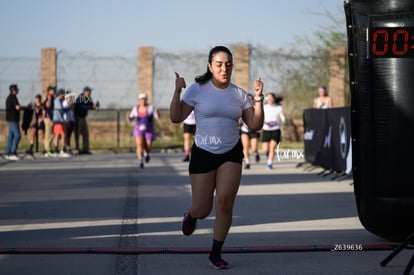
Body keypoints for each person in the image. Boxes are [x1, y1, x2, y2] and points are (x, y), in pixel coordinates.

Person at [169, 45, 264, 269]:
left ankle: (215, 253)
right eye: (219, 64)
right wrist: (177, 92)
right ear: (210, 66)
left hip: (231, 153)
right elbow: (176, 117)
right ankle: (191, 215)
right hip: (203, 152)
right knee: (203, 209)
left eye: (228, 65)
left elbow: (255, 124)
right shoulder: (197, 89)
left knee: (224, 203)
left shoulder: (239, 94)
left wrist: (258, 99)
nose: (224, 69)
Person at [127, 93, 160, 168]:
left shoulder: (151, 108)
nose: (143, 101)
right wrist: (128, 116)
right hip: (138, 128)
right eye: (141, 99)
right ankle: (141, 160)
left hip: (149, 128)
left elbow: (157, 117)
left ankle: (146, 153)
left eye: (144, 99)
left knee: (148, 146)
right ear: (139, 100)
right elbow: (130, 119)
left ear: (146, 100)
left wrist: (157, 112)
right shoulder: (135, 109)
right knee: (139, 144)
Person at [261, 93, 286, 169]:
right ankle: (268, 155)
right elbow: (261, 116)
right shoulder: (264, 107)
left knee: (272, 147)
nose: (270, 100)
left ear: (274, 99)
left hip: (276, 130)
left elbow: (283, 117)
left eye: (271, 98)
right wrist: (263, 122)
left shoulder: (279, 107)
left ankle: (269, 163)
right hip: (266, 129)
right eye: (268, 98)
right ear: (267, 99)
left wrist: (284, 119)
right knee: (265, 149)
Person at [74, 86, 99, 154]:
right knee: (78, 133)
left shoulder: (88, 98)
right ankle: (77, 149)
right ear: (85, 92)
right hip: (78, 117)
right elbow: (81, 107)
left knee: (85, 134)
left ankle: (85, 149)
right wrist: (91, 106)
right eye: (89, 91)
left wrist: (95, 106)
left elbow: (91, 105)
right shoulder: (81, 97)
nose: (90, 93)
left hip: (83, 118)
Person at [239, 93, 261, 169]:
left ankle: (256, 153)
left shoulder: (256, 107)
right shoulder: (241, 108)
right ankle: (247, 162)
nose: (249, 100)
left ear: (253, 100)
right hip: (244, 130)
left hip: (254, 130)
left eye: (250, 99)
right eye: (247, 99)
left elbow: (259, 118)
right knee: (245, 146)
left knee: (254, 148)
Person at [5, 84, 23, 160]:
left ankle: (8, 152)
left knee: (11, 135)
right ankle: (12, 152)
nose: (17, 91)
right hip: (13, 119)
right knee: (17, 135)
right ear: (13, 90)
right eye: (16, 89)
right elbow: (17, 107)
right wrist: (24, 107)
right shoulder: (13, 97)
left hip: (10, 119)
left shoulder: (9, 98)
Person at [52, 89, 71, 157]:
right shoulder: (57, 100)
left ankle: (56, 149)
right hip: (58, 120)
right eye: (63, 94)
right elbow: (61, 109)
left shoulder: (59, 100)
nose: (64, 95)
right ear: (60, 94)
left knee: (58, 134)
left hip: (59, 120)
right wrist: (69, 108)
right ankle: (62, 150)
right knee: (63, 134)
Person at [43, 85, 56, 157]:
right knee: (49, 134)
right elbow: (48, 109)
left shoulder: (51, 97)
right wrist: (51, 119)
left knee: (51, 134)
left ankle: (48, 148)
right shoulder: (49, 98)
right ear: (49, 91)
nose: (53, 91)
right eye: (52, 90)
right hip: (48, 118)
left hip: (50, 117)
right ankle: (47, 150)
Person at [63, 90, 76, 155]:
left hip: (71, 121)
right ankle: (65, 148)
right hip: (66, 121)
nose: (72, 97)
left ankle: (68, 148)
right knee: (66, 135)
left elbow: (72, 113)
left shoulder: (71, 103)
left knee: (69, 135)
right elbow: (64, 111)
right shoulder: (65, 103)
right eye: (71, 96)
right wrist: (70, 108)